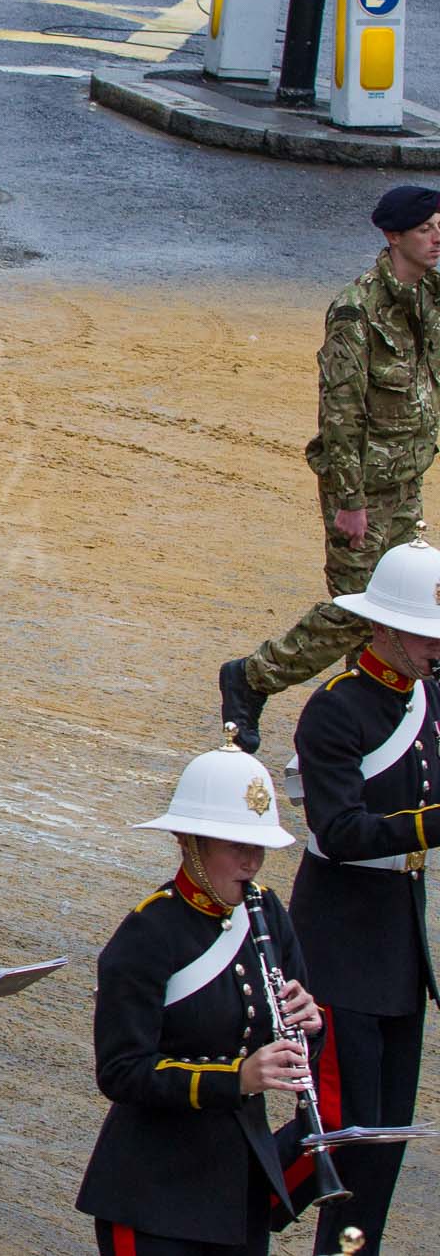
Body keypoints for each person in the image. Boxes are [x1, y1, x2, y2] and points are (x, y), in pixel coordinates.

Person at [76, 730, 326, 1254]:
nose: (252, 861)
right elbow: (121, 1071)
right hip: (153, 1194)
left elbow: (296, 1046)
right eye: (237, 845)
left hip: (239, 1191)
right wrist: (236, 1078)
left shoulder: (269, 915)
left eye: (257, 845)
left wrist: (311, 1026)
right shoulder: (148, 934)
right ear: (190, 841)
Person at [221, 186, 440, 754]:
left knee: (402, 605)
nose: (437, 237)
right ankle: (251, 677)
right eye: (425, 229)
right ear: (394, 237)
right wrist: (349, 499)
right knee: (356, 611)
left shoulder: (431, 295)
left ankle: (378, 723)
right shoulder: (356, 310)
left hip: (408, 477)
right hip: (361, 484)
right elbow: (341, 410)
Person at [283, 527, 440, 1252]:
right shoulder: (337, 708)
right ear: (382, 625)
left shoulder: (429, 699)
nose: (432, 645)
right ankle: (221, 1203)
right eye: (421, 632)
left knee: (384, 1142)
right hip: (340, 944)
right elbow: (340, 829)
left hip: (399, 949)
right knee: (342, 1132)